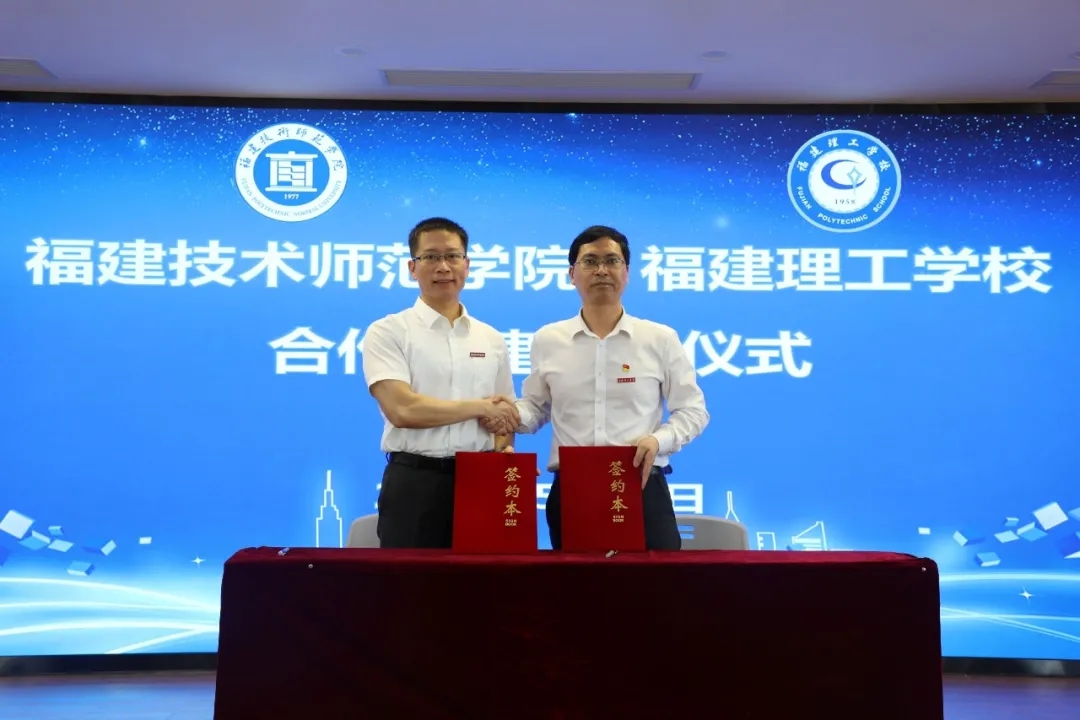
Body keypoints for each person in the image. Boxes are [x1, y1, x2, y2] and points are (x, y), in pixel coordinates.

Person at [489, 225, 709, 550]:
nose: (602, 270)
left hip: (640, 485)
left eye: (612, 261)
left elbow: (693, 410)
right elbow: (536, 408)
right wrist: (507, 415)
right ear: (572, 274)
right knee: (575, 582)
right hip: (573, 490)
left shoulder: (659, 338)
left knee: (656, 582)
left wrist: (657, 440)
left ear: (627, 272)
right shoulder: (549, 339)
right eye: (590, 261)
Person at [362, 217, 520, 549]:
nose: (443, 267)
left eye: (452, 256)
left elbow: (504, 416)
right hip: (415, 483)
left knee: (485, 578)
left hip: (482, 480)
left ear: (467, 265)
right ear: (412, 268)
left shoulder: (490, 338)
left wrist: (503, 446)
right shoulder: (388, 331)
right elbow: (402, 409)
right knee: (411, 580)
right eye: (431, 257)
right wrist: (479, 408)